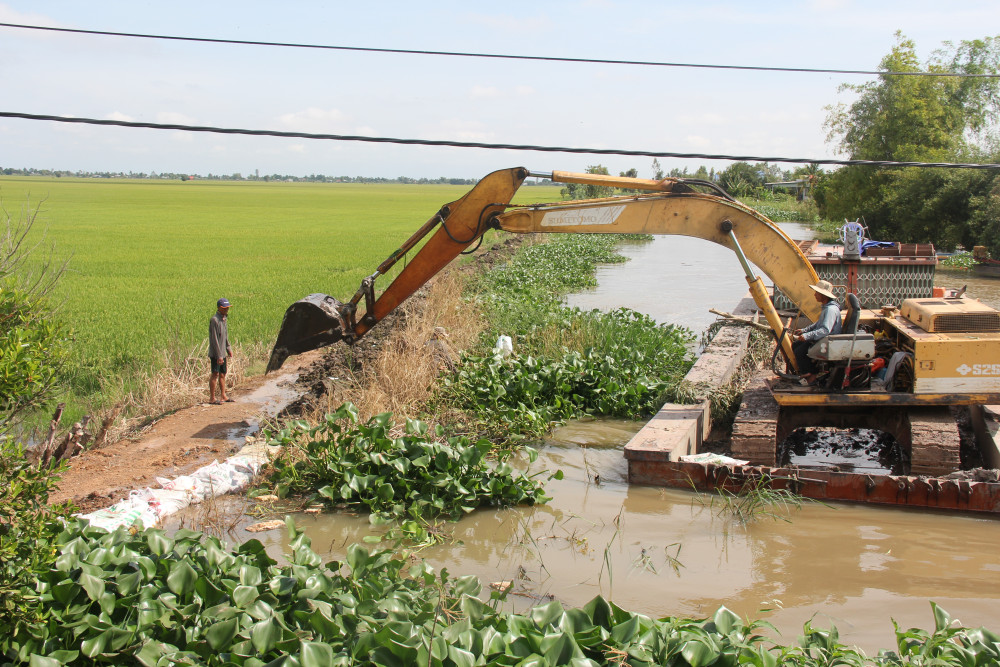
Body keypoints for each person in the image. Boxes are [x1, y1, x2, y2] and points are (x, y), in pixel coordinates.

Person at [791, 280, 842, 385]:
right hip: (824, 338)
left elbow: (825, 330)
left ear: (824, 295)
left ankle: (811, 375)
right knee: (796, 345)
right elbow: (818, 324)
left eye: (817, 293)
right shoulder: (826, 308)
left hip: (828, 340)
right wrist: (805, 330)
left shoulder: (830, 310)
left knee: (800, 351)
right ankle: (808, 372)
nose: (815, 295)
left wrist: (807, 335)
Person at [208, 297, 233, 404]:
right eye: (225, 308)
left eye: (227, 307)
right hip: (216, 353)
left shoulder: (223, 319)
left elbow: (225, 336)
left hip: (222, 351)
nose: (227, 309)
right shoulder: (215, 320)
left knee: (223, 373)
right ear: (219, 308)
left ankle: (223, 395)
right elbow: (214, 339)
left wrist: (228, 348)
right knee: (215, 373)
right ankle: (212, 398)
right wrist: (219, 356)